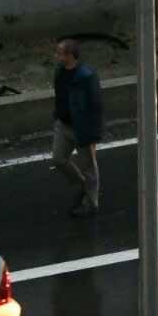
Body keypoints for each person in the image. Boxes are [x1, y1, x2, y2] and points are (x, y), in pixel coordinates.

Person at [52, 39, 103, 218]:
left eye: (60, 53)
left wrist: (93, 132)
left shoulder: (87, 76)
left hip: (81, 128)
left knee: (89, 166)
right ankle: (83, 185)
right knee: (58, 159)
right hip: (63, 124)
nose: (56, 56)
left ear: (70, 55)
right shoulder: (59, 72)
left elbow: (96, 105)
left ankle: (92, 204)